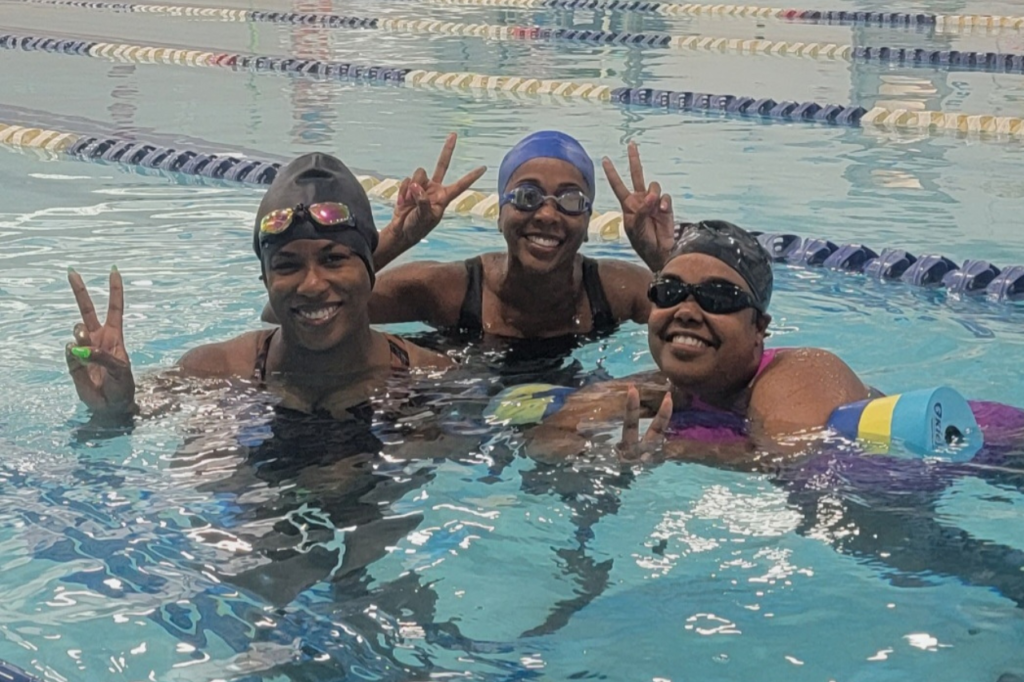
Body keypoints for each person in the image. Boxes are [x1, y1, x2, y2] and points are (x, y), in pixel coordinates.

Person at [65, 151, 453, 423]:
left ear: (370, 265)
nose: (312, 284)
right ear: (265, 279)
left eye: (334, 259)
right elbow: (130, 425)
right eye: (287, 265)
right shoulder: (214, 371)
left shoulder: (432, 379)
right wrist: (114, 411)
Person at [527, 220, 873, 464]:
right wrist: (603, 458)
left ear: (759, 328)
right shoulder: (656, 389)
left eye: (718, 298)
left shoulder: (801, 372)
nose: (686, 312)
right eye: (670, 292)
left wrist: (672, 450)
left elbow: (798, 458)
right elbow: (549, 437)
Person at [367, 131, 660, 339]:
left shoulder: (618, 291)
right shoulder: (448, 291)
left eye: (570, 200)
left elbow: (700, 327)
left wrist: (658, 258)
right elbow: (332, 307)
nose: (547, 214)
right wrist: (396, 239)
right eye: (526, 195)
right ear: (499, 214)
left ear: (586, 224)